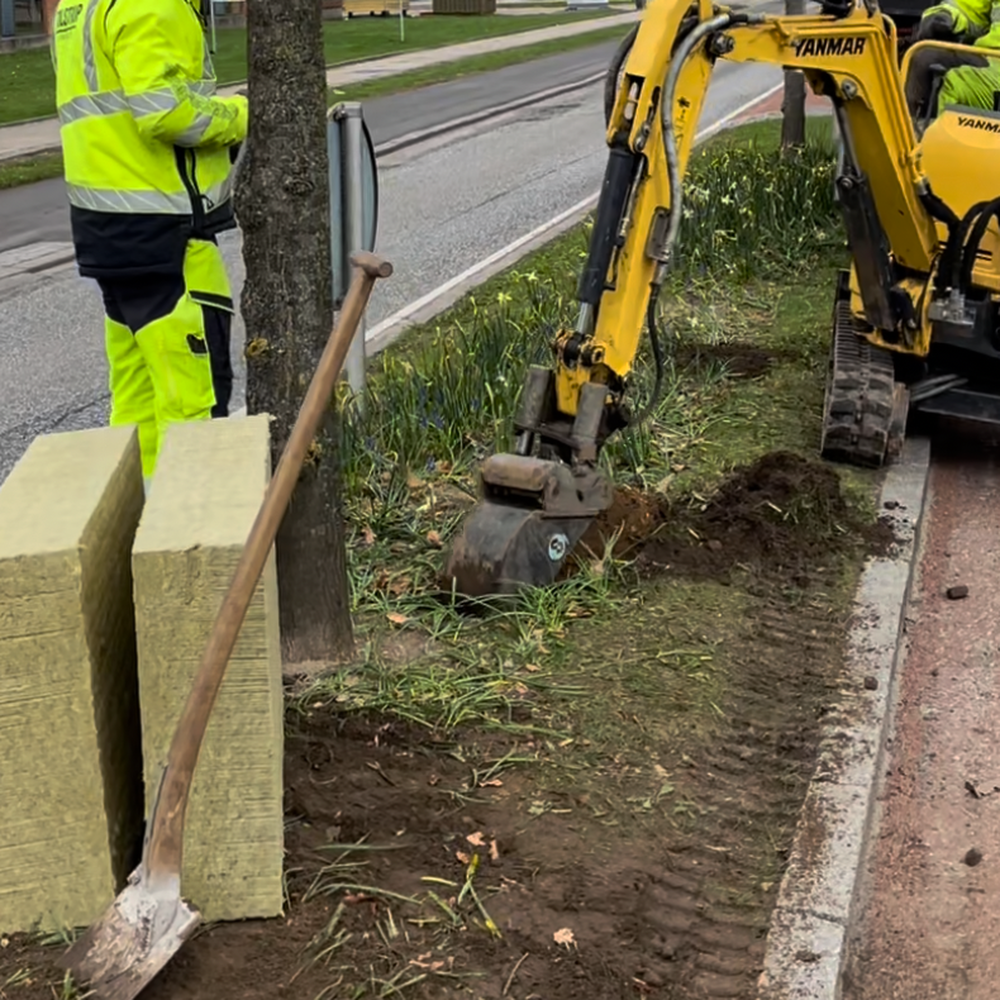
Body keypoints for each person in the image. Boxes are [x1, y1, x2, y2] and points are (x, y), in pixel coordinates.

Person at [47, 0, 248, 484]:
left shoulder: (77, 8)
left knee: (137, 412)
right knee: (195, 410)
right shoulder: (150, 4)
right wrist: (241, 113)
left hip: (109, 236)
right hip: (169, 235)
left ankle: (136, 537)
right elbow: (167, 114)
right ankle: (186, 541)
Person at [905, 0, 1000, 120]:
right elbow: (969, 8)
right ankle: (906, 130)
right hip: (987, 57)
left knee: (955, 85)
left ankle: (934, 135)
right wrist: (946, 16)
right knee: (924, 59)